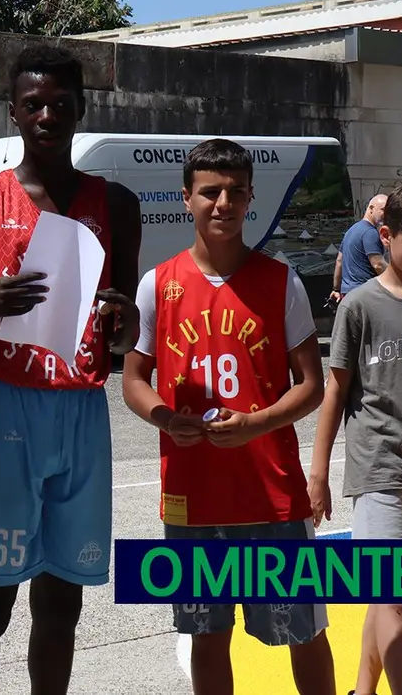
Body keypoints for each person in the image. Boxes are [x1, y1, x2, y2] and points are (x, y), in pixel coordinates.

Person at [0, 45, 142, 695]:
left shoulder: (117, 205)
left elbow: (127, 325)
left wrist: (122, 322)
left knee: (62, 605)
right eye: (33, 105)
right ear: (13, 112)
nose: (47, 115)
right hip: (7, 408)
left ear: (81, 109)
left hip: (82, 409)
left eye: (59, 104)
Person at [121, 138, 333, 695]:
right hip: (193, 495)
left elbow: (311, 384)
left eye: (237, 191)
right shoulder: (157, 284)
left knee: (303, 632)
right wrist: (166, 420)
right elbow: (133, 380)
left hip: (272, 493)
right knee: (207, 635)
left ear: (250, 198)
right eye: (210, 191)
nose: (224, 203)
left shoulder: (280, 281)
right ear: (186, 197)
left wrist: (258, 423)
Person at [309, 181, 402, 695]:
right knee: (394, 595)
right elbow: (335, 393)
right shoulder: (360, 305)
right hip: (379, 470)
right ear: (385, 234)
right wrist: (318, 473)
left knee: (391, 596)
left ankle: (362, 686)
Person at [330, 194, 387, 303]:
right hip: (365, 295)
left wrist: (336, 289)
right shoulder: (370, 232)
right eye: (383, 210)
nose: (387, 214)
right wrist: (397, 281)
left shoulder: (351, 231)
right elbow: (378, 264)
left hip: (347, 295)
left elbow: (339, 261)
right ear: (371, 209)